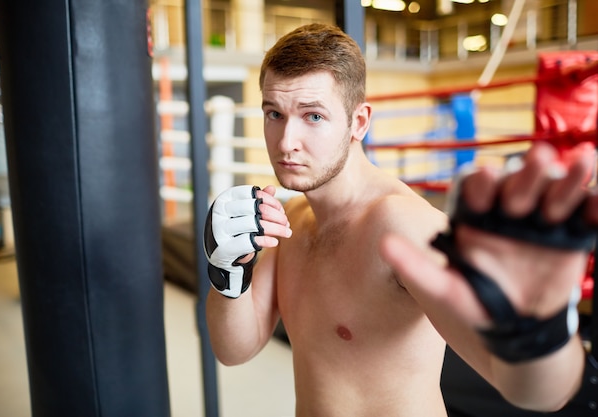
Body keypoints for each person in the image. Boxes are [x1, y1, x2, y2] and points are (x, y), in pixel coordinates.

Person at [203, 23, 598, 416]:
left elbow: (539, 394)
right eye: (275, 113)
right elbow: (233, 349)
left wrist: (538, 332)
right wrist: (228, 271)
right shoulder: (290, 218)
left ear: (359, 122)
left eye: (313, 117)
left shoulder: (401, 226)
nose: (287, 141)